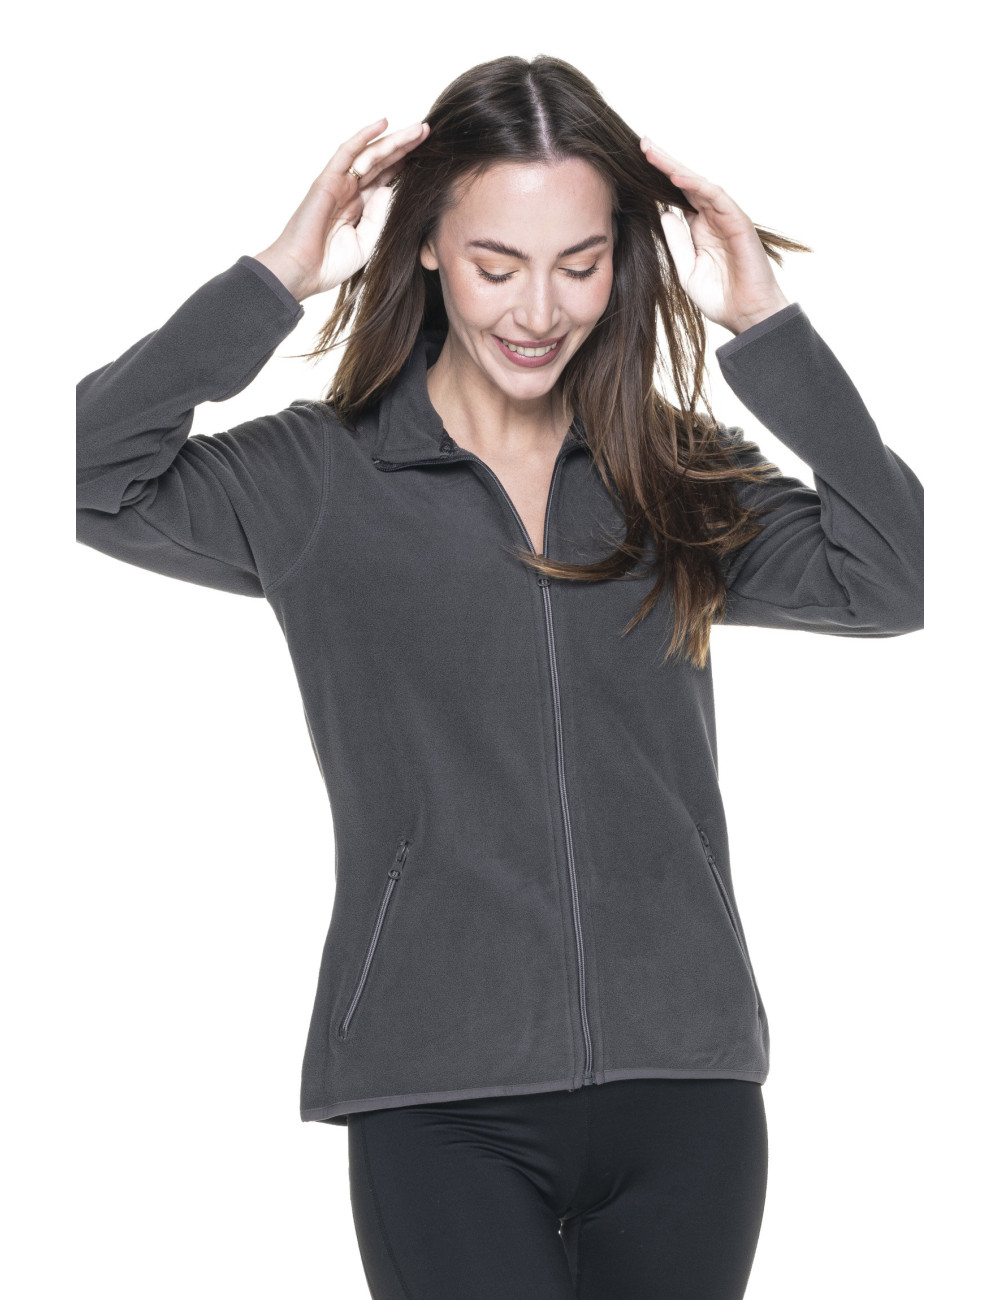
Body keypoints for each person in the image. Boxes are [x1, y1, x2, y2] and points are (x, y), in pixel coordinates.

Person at [76, 52, 924, 1300]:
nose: (538, 309)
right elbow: (82, 469)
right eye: (496, 263)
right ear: (424, 244)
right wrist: (271, 280)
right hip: (438, 1092)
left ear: (621, 261)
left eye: (579, 264)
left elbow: (896, 576)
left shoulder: (675, 475)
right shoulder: (315, 481)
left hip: (686, 1083)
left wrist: (769, 332)